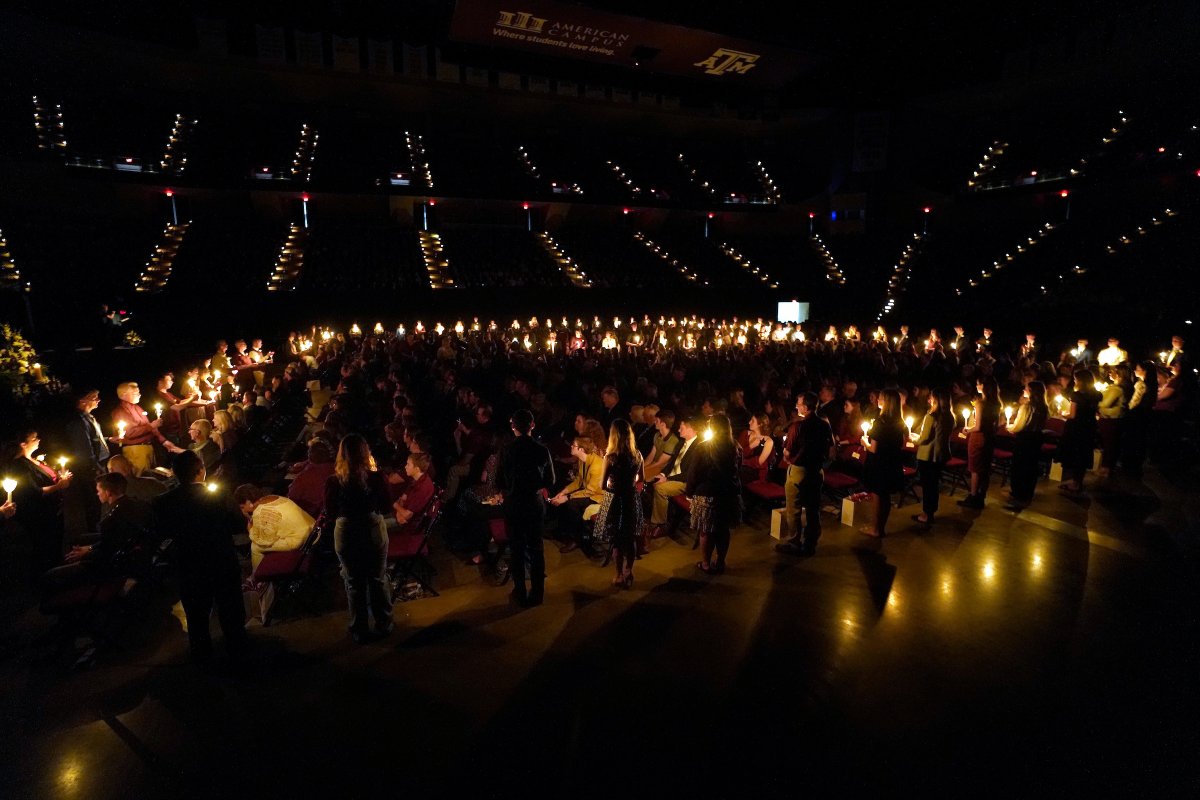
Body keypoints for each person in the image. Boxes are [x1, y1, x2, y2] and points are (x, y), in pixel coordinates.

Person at [154, 450, 247, 664]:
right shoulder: (218, 495)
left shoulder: (163, 501)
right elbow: (238, 524)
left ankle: (202, 656)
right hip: (221, 560)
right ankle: (238, 649)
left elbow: (161, 532)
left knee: (196, 614)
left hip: (189, 563)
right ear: (201, 471)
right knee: (230, 608)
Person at [325, 434, 394, 642]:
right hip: (371, 526)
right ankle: (384, 624)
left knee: (353, 581)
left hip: (346, 529)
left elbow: (330, 512)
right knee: (377, 578)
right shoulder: (376, 477)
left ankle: (359, 629)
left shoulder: (333, 481)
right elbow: (386, 507)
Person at [43, 473, 154, 597]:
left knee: (50, 576)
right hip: (128, 555)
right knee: (80, 540)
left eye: (98, 490)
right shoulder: (134, 504)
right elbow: (111, 540)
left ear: (108, 492)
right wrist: (89, 547)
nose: (97, 494)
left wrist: (86, 553)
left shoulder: (112, 518)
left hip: (108, 568)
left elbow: (107, 550)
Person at [495, 409, 555, 607]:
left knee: (517, 549)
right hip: (533, 502)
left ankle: (519, 591)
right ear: (532, 425)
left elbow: (498, 480)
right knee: (536, 548)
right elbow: (551, 479)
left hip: (514, 503)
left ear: (513, 426)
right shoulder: (541, 449)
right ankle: (538, 594)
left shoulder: (506, 449)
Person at [775, 392, 834, 556]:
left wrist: (788, 456)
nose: (796, 406)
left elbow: (787, 452)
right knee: (813, 509)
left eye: (799, 404)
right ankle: (810, 543)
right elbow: (831, 448)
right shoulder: (824, 425)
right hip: (817, 471)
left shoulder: (798, 426)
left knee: (793, 508)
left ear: (806, 407)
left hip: (799, 472)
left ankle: (794, 542)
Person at [11, 428, 73, 571]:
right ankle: (47, 576)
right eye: (34, 438)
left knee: (56, 543)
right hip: (40, 514)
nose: (38, 440)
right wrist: (58, 486)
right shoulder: (20, 466)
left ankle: (57, 570)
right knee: (45, 547)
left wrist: (61, 477)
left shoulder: (36, 460)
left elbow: (50, 479)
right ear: (23, 444)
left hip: (54, 510)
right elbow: (33, 492)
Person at [591, 419, 643, 588]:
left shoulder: (611, 457)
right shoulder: (638, 455)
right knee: (630, 537)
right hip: (631, 498)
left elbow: (602, 484)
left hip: (614, 499)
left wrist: (613, 483)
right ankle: (629, 570)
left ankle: (619, 574)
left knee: (617, 539)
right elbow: (641, 479)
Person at [689, 415, 741, 574]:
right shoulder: (735, 447)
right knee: (723, 529)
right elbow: (738, 472)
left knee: (706, 530)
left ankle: (705, 563)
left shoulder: (703, 447)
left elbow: (694, 473)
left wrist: (689, 492)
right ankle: (720, 562)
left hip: (707, 494)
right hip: (727, 494)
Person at [63, 387, 110, 534]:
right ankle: (93, 532)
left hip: (96, 465)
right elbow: (84, 448)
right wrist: (96, 467)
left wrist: (109, 439)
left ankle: (98, 527)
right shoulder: (78, 422)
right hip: (90, 469)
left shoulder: (89, 418)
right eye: (94, 397)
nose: (98, 400)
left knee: (97, 501)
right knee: (93, 501)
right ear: (82, 401)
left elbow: (94, 439)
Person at [234, 484, 315, 571]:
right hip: (312, 528)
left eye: (242, 507)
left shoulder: (260, 512)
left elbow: (261, 540)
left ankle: (258, 579)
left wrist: (249, 526)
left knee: (255, 546)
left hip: (302, 539)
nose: (243, 510)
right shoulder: (274, 497)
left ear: (249, 502)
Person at [111, 381, 185, 475]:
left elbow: (150, 428)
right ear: (123, 395)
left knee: (151, 477)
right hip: (136, 451)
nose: (139, 395)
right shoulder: (120, 412)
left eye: (139, 392)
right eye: (135, 393)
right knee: (142, 478)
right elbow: (129, 433)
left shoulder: (137, 408)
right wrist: (151, 426)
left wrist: (164, 441)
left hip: (147, 449)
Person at [860, 389, 906, 538]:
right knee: (885, 496)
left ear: (887, 402)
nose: (878, 400)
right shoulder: (899, 422)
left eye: (881, 399)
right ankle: (881, 527)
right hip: (893, 461)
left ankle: (874, 528)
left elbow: (873, 448)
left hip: (879, 463)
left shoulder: (881, 422)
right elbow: (901, 443)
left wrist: (864, 442)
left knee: (878, 496)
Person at [548, 437, 605, 553]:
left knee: (571, 504)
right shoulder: (582, 461)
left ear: (581, 449)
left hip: (597, 497)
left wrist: (567, 497)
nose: (571, 447)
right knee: (560, 493)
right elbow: (578, 482)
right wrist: (563, 492)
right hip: (589, 492)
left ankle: (578, 538)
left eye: (573, 445)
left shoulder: (596, 466)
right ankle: (567, 531)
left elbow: (590, 491)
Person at [647, 416, 700, 536]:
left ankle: (660, 524)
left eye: (682, 428)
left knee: (660, 488)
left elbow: (689, 473)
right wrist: (662, 474)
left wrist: (667, 478)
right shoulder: (681, 443)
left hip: (686, 481)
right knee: (650, 480)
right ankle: (658, 517)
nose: (679, 430)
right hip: (673, 476)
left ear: (691, 430)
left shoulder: (699, 447)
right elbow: (671, 463)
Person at [911, 389, 953, 527]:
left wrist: (913, 438)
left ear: (935, 400)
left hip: (928, 455)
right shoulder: (949, 416)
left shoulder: (931, 416)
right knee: (933, 485)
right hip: (941, 454)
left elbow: (924, 438)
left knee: (928, 486)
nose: (928, 401)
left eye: (931, 398)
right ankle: (931, 512)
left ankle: (926, 514)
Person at [1004, 381, 1049, 510]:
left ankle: (1019, 495)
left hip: (1024, 439)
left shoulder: (1027, 406)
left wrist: (1010, 427)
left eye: (1026, 389)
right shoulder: (1043, 406)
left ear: (1031, 391)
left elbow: (1020, 425)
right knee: (1031, 467)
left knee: (1020, 467)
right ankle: (1027, 493)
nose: (1024, 390)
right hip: (1036, 439)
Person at [958, 377, 1001, 509]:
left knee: (975, 469)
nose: (976, 385)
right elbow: (997, 424)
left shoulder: (980, 403)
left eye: (978, 383)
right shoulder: (996, 403)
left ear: (984, 386)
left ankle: (973, 496)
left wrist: (967, 429)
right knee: (985, 468)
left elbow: (978, 427)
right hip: (989, 438)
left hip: (978, 438)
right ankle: (981, 496)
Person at [1056, 367, 1100, 494]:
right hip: (1089, 426)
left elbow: (1073, 415)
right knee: (1083, 453)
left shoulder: (1076, 395)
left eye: (1076, 380)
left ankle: (1074, 483)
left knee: (1074, 454)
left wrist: (1063, 413)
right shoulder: (1096, 395)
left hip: (1076, 428)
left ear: (1081, 381)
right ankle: (1078, 480)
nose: (1074, 382)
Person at [1121, 361, 1157, 477]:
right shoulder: (1152, 384)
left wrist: (1126, 410)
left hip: (1136, 416)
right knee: (1140, 441)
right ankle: (1136, 467)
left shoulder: (1141, 385)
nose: (1135, 371)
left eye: (1137, 368)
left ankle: (1130, 467)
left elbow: (1134, 402)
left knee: (1133, 441)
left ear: (1144, 371)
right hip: (1145, 416)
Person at [287, 439, 335, 518]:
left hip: (310, 514)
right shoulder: (335, 468)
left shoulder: (304, 477)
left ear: (310, 455)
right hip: (328, 511)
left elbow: (291, 497)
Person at [392, 452, 436, 530]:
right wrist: (400, 510)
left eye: (408, 464)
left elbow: (407, 515)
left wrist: (395, 505)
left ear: (417, 469)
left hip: (409, 525)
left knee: (377, 525)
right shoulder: (418, 478)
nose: (405, 467)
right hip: (401, 514)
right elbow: (403, 498)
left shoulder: (422, 488)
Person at [642, 409, 679, 481]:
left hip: (661, 469)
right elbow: (651, 456)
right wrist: (641, 467)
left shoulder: (672, 441)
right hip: (653, 465)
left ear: (663, 424)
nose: (654, 422)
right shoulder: (657, 435)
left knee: (640, 478)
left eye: (657, 421)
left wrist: (643, 469)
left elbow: (661, 463)